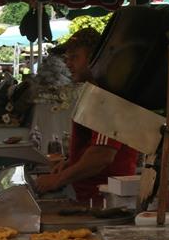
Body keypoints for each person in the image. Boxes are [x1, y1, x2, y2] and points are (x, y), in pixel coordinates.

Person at [34, 27, 139, 203]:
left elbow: (101, 156)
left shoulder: (107, 97)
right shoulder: (95, 94)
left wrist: (57, 180)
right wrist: (70, 162)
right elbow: (92, 145)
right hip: (91, 198)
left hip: (106, 202)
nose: (68, 63)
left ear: (94, 59)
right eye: (67, 58)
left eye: (75, 57)